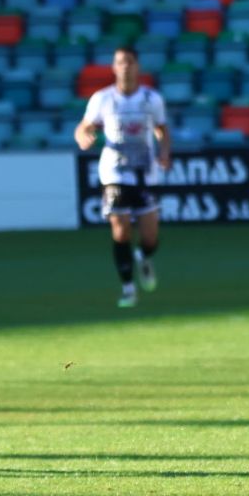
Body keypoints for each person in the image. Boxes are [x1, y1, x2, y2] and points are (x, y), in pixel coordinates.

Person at [73, 46, 171, 309]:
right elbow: (84, 126)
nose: (125, 66)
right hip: (114, 172)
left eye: (129, 61)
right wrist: (84, 136)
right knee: (120, 228)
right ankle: (128, 288)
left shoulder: (152, 98)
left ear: (137, 66)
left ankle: (143, 256)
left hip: (145, 174)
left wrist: (164, 152)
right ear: (114, 67)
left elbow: (162, 129)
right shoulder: (102, 99)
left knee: (150, 237)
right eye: (119, 62)